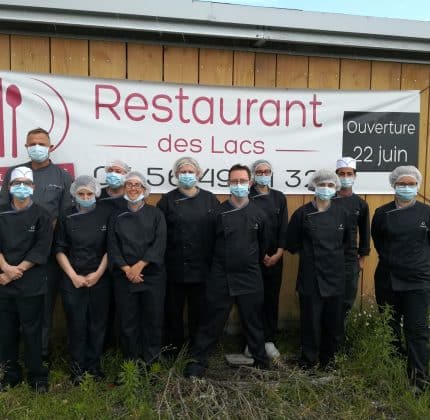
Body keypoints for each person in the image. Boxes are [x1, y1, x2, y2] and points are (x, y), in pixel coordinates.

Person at [184, 164, 269, 378]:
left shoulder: (259, 214)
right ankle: (196, 363)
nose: (238, 185)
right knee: (210, 322)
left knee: (254, 322)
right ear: (228, 183)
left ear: (250, 183)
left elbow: (263, 245)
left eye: (242, 181)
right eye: (234, 181)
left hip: (250, 275)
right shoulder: (217, 213)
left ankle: (261, 363)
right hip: (221, 275)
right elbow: (206, 246)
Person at [0, 127, 73, 363]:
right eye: (32, 143)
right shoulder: (15, 172)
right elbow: (4, 209)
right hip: (11, 255)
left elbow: (65, 217)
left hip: (46, 254)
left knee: (43, 305)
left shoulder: (62, 177)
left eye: (41, 143)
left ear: (50, 147)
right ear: (26, 146)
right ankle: (12, 359)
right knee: (9, 310)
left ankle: (39, 355)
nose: (37, 147)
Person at [285, 169, 352, 369]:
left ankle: (328, 360)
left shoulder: (343, 213)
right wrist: (309, 255)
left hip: (336, 275)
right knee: (310, 322)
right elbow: (291, 243)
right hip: (310, 276)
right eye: (322, 185)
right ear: (314, 186)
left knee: (333, 322)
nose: (326, 188)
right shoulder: (302, 213)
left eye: (330, 185)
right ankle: (308, 360)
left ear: (336, 188)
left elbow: (348, 244)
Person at [371, 165, 430, 391]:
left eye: (410, 184)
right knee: (389, 327)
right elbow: (378, 240)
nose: (406, 187)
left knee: (417, 329)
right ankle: (392, 372)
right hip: (388, 279)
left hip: (418, 280)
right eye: (401, 184)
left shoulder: (426, 213)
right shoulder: (382, 213)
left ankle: (419, 379)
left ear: (417, 185)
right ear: (394, 185)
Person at [157, 157, 219, 357]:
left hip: (203, 268)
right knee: (173, 313)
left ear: (199, 174)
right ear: (175, 175)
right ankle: (172, 351)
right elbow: (159, 235)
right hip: (174, 267)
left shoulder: (210, 200)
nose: (186, 175)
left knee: (199, 313)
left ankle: (197, 350)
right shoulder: (166, 201)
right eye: (182, 172)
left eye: (190, 171)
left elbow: (218, 233)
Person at [0, 167, 52, 392]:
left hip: (31, 283)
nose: (21, 187)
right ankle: (10, 374)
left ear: (33, 187)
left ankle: (37, 375)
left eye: (26, 183)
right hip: (3, 281)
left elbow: (42, 248)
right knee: (5, 332)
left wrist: (16, 270)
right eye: (16, 183)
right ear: (9, 187)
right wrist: (5, 268)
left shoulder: (43, 215)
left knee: (32, 332)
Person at [55, 176, 112, 384]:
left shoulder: (106, 215)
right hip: (73, 278)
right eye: (81, 194)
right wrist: (73, 276)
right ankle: (77, 369)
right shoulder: (66, 216)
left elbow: (110, 248)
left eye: (89, 193)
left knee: (97, 324)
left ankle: (94, 367)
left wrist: (97, 274)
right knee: (76, 324)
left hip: (100, 277)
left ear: (96, 193)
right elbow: (59, 249)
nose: (86, 197)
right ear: (74, 194)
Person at [107, 171, 167, 366]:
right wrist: (127, 269)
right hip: (124, 277)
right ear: (124, 189)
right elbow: (112, 245)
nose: (133, 188)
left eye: (137, 185)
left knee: (152, 321)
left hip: (152, 276)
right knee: (127, 322)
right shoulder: (116, 216)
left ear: (145, 190)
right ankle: (130, 364)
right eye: (129, 185)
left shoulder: (156, 214)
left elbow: (159, 243)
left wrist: (140, 266)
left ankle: (151, 363)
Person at [246, 159, 288, 359]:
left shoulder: (279, 197)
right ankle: (251, 341)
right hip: (254, 258)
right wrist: (260, 254)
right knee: (252, 301)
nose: (263, 174)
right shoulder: (246, 196)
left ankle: (269, 340)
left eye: (267, 171)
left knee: (271, 299)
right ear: (253, 174)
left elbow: (283, 228)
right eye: (260, 171)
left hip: (275, 258)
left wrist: (279, 252)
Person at [333, 157, 370, 321]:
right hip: (329, 257)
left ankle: (340, 338)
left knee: (347, 300)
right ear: (336, 176)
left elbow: (365, 232)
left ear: (355, 176)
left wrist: (362, 258)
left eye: (349, 173)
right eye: (342, 173)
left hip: (350, 259)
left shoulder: (360, 204)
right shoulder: (327, 200)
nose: (345, 177)